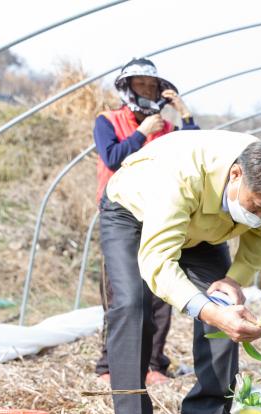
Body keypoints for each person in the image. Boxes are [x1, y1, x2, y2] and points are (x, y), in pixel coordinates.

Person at [101, 130, 261, 414]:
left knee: (225, 308)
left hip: (204, 233)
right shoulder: (181, 176)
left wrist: (232, 281)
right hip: (134, 215)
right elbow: (158, 262)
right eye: (258, 206)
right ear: (236, 174)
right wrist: (205, 309)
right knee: (132, 306)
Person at [94, 58, 200, 386]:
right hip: (121, 215)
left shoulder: (167, 129)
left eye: (152, 86)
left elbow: (193, 149)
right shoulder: (108, 120)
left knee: (160, 289)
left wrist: (184, 114)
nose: (147, 91)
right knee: (122, 295)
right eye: (140, 85)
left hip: (158, 215)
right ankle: (108, 367)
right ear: (127, 88)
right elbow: (112, 158)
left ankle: (154, 364)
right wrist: (141, 133)